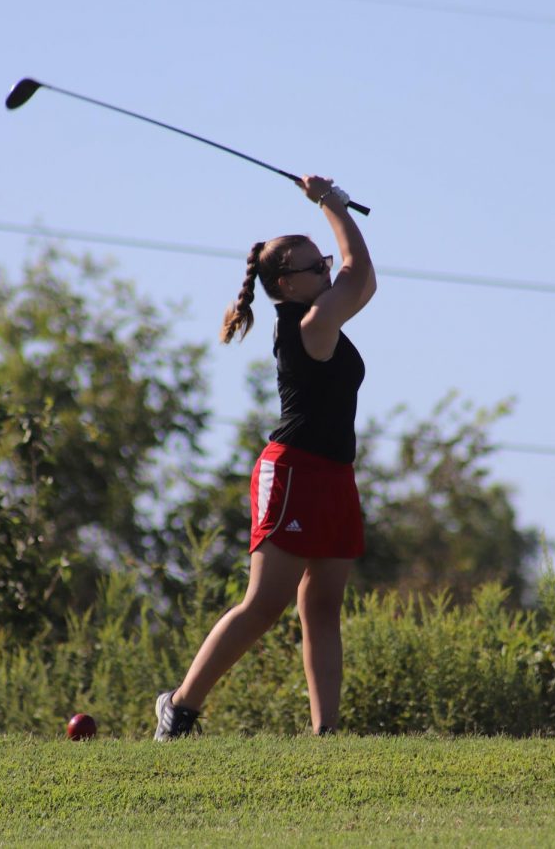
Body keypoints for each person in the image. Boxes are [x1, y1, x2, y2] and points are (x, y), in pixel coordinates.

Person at [154, 175, 376, 739]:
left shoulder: (316, 316)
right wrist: (333, 204)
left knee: (323, 606)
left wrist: (330, 205)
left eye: (323, 263)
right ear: (286, 283)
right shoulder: (310, 323)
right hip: (295, 472)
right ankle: (179, 709)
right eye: (315, 267)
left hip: (333, 474)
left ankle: (326, 734)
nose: (327, 271)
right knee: (265, 604)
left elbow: (350, 276)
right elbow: (361, 277)